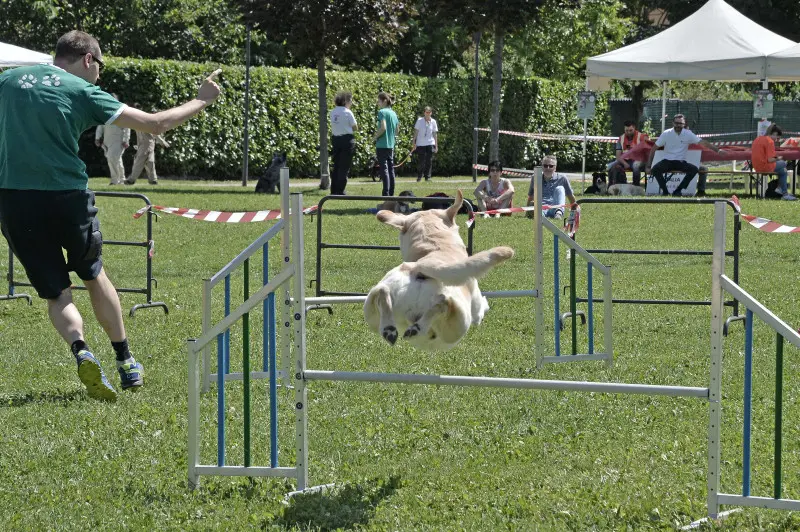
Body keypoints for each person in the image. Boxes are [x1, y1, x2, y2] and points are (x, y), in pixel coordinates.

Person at [0, 30, 222, 401]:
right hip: (67, 195)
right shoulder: (82, 90)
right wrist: (202, 100)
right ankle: (125, 360)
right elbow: (156, 124)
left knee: (57, 293)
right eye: (99, 67)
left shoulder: (7, 80)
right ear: (88, 59)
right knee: (93, 273)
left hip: (14, 199)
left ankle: (81, 349)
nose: (99, 75)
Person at [646, 114, 724, 197]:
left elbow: (703, 143)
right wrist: (648, 166)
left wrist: (718, 150)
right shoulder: (666, 133)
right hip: (667, 161)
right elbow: (653, 149)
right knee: (655, 169)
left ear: (684, 124)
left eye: (680, 124)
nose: (678, 125)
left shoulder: (688, 134)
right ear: (673, 123)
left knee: (694, 169)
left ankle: (678, 190)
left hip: (680, 162)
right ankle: (665, 192)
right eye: (676, 123)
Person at [125, 106, 170, 186]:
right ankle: (153, 180)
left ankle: (131, 180)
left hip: (147, 144)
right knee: (149, 162)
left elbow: (154, 133)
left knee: (139, 160)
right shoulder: (137, 122)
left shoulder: (147, 121)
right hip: (143, 144)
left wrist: (162, 142)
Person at [752, 124, 796, 200]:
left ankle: (783, 192)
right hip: (765, 167)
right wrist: (779, 158)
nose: (777, 140)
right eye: (777, 137)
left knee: (783, 171)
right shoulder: (770, 141)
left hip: (756, 166)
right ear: (774, 133)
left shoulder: (758, 139)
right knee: (784, 163)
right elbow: (770, 159)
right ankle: (782, 191)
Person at [526, 155, 575, 219]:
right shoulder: (535, 177)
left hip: (555, 208)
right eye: (545, 166)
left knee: (560, 188)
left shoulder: (562, 178)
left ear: (555, 168)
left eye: (551, 166)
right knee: (538, 211)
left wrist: (574, 210)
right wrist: (527, 211)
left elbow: (570, 197)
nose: (548, 168)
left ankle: (558, 213)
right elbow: (531, 196)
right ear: (542, 167)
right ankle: (537, 214)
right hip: (541, 208)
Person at [94, 99, 130, 185]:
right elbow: (100, 127)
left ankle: (115, 180)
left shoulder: (122, 113)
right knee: (115, 160)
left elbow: (127, 127)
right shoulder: (105, 113)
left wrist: (125, 140)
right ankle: (122, 179)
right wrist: (97, 138)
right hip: (107, 141)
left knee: (112, 158)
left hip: (119, 141)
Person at [329, 91, 358, 195]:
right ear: (346, 101)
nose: (351, 103)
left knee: (336, 165)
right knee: (344, 167)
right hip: (347, 140)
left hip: (336, 140)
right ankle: (340, 190)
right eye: (350, 101)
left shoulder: (332, 112)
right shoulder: (348, 112)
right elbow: (355, 127)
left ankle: (333, 189)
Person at [607, 120, 648, 186]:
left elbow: (646, 152)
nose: (628, 132)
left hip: (639, 160)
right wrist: (624, 163)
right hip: (625, 160)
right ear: (624, 129)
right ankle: (611, 186)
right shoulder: (621, 138)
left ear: (634, 128)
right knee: (609, 166)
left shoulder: (642, 137)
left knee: (635, 165)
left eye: (630, 130)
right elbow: (618, 156)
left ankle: (636, 187)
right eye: (626, 130)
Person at [373, 91, 399, 197]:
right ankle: (391, 194)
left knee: (384, 170)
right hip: (391, 145)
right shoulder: (393, 113)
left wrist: (375, 137)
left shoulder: (382, 112)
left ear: (384, 101)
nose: (378, 103)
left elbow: (383, 128)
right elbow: (397, 130)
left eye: (379, 101)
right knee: (391, 169)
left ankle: (385, 194)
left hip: (382, 145)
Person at [412, 106, 438, 182]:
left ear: (431, 113)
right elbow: (416, 132)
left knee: (429, 161)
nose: (428, 114)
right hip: (420, 144)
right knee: (421, 161)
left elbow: (435, 134)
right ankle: (419, 177)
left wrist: (436, 146)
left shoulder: (433, 121)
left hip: (430, 143)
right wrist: (414, 142)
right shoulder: (419, 121)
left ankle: (428, 177)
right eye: (426, 112)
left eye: (429, 112)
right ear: (424, 113)